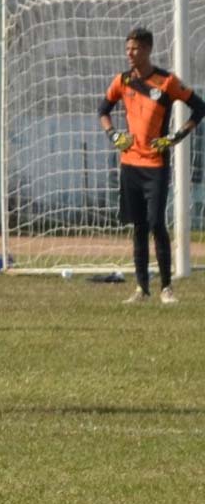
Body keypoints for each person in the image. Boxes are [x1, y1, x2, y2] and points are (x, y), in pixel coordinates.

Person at [99, 27, 205, 305]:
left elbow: (199, 107)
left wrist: (175, 137)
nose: (129, 54)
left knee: (157, 223)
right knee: (138, 227)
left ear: (147, 49)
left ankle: (166, 288)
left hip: (156, 165)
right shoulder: (122, 81)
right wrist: (113, 135)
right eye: (127, 49)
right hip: (129, 164)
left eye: (134, 49)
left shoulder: (166, 81)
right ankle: (141, 288)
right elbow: (103, 111)